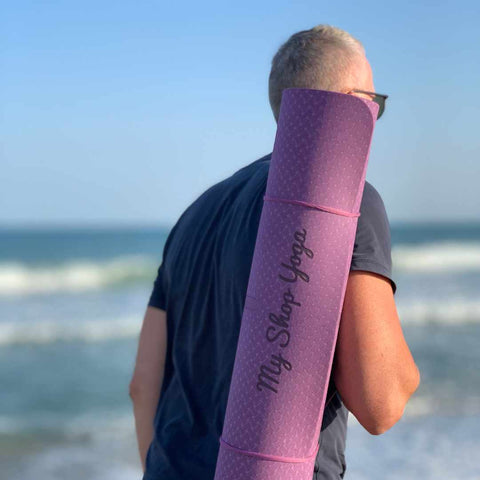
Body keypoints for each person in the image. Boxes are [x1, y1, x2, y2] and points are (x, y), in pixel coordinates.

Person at [129, 24, 420, 480]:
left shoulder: (192, 218)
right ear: (348, 104)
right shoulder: (342, 202)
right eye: (374, 104)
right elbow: (380, 401)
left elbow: (142, 386)